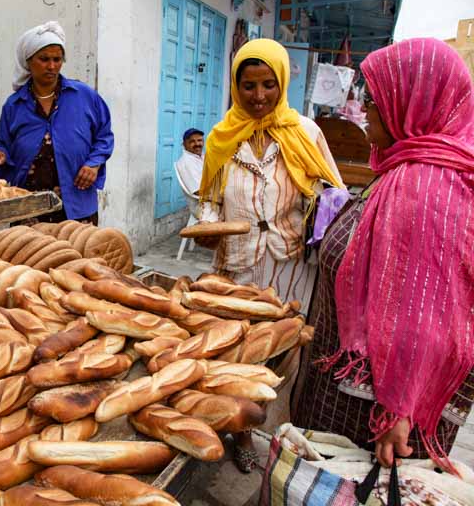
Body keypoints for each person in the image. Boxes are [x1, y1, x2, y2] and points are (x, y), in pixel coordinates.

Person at [293, 38, 474, 474]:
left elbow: (430, 312)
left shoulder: (428, 187)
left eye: (373, 98)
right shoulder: (405, 166)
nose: (365, 109)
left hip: (374, 413)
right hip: (353, 391)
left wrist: (399, 410)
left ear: (411, 101)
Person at [196, 38, 345, 473]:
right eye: (248, 86)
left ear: (281, 83)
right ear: (234, 87)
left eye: (268, 85)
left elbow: (331, 197)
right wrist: (206, 224)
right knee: (235, 355)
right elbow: (208, 200)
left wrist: (315, 211)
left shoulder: (306, 133)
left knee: (284, 358)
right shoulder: (222, 137)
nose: (258, 96)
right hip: (237, 267)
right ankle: (240, 432)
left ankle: (276, 438)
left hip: (289, 265)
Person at [0, 21, 114, 224]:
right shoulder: (14, 105)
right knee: (29, 255)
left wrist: (94, 164)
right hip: (28, 207)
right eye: (44, 59)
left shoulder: (85, 96)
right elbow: (3, 144)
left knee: (79, 254)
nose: (52, 66)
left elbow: (104, 136)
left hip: (76, 204)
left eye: (57, 59)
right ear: (28, 61)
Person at [175, 128, 204, 196]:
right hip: (205, 203)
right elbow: (198, 191)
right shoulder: (186, 163)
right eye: (192, 141)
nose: (197, 144)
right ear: (184, 144)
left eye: (199, 140)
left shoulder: (201, 156)